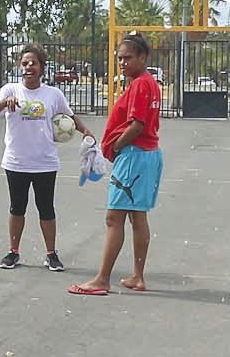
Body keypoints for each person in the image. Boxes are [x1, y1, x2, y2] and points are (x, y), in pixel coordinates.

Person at [70, 33, 163, 296]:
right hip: (145, 155)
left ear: (143, 58)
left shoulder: (140, 85)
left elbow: (137, 125)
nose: (122, 63)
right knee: (137, 215)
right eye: (120, 59)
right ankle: (137, 275)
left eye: (128, 58)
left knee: (114, 218)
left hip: (134, 156)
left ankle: (102, 279)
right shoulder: (146, 83)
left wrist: (116, 146)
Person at [0, 43, 94, 272]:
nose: (29, 67)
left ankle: (51, 254)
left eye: (33, 63)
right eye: (25, 63)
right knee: (17, 207)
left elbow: (70, 116)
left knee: (46, 208)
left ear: (42, 67)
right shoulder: (11, 89)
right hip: (16, 161)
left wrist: (86, 131)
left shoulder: (52, 94)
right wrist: (4, 104)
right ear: (20, 66)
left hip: (45, 161)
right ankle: (13, 252)